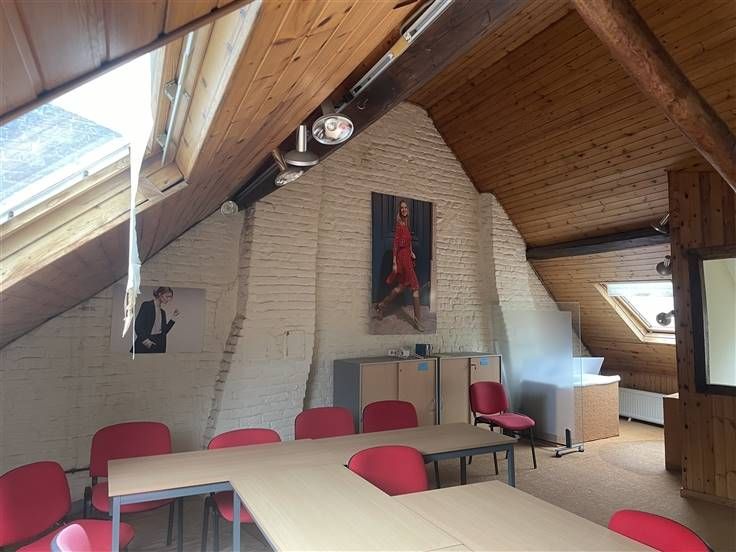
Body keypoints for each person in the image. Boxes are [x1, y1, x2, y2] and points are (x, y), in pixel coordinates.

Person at [375, 199, 424, 332]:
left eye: (405, 207)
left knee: (400, 288)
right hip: (402, 259)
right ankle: (418, 321)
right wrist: (394, 262)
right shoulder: (399, 225)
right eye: (402, 208)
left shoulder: (406, 224)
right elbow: (396, 245)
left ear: (408, 210)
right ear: (399, 210)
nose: (404, 209)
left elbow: (408, 242)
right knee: (415, 287)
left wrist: (411, 252)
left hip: (407, 257)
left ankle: (381, 305)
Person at [131, 287, 180, 354]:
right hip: (145, 344)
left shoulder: (163, 312)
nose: (169, 299)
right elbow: (138, 326)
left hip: (159, 345)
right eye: (167, 296)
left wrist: (173, 317)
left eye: (170, 297)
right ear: (160, 294)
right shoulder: (147, 305)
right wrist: (147, 342)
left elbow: (164, 331)